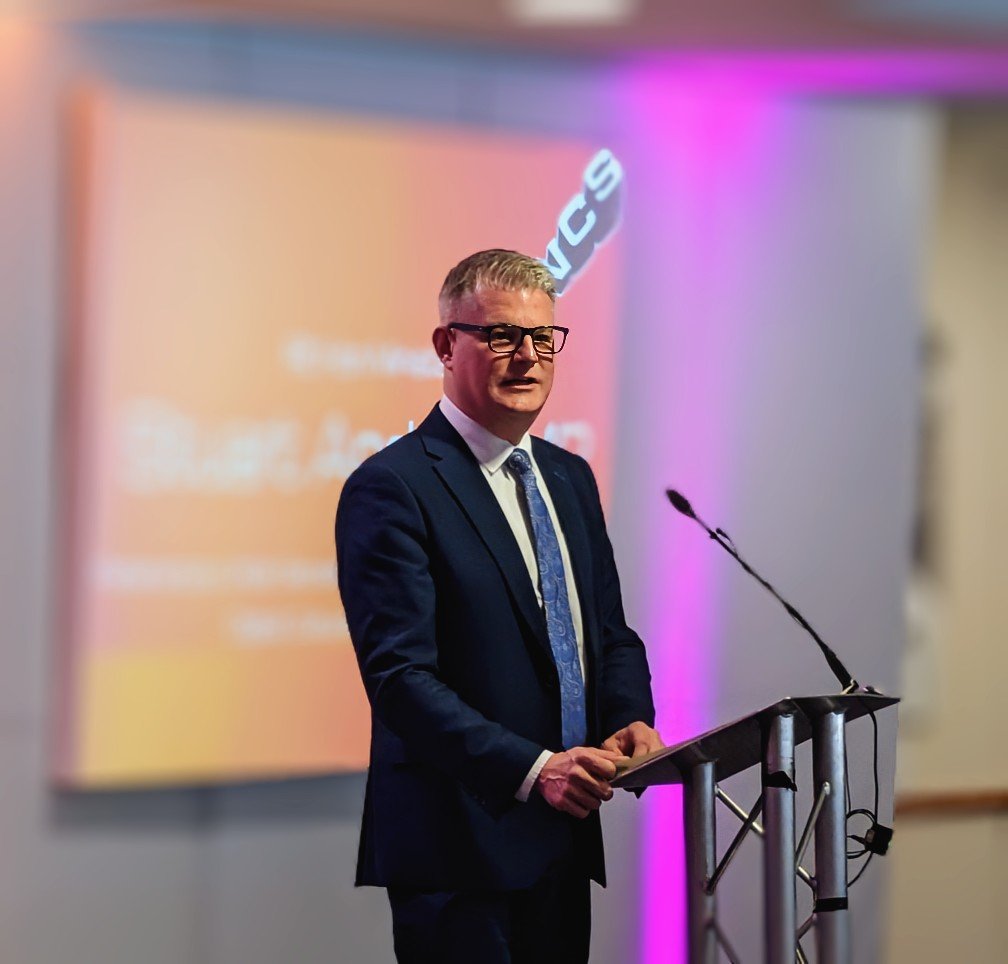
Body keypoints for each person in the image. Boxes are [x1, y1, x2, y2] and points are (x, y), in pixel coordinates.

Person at [336, 249, 662, 963]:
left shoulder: (569, 477)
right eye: (502, 336)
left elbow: (606, 634)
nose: (527, 356)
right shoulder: (393, 487)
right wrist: (534, 768)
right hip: (458, 848)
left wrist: (629, 716)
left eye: (543, 338)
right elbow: (400, 680)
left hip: (561, 842)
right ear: (446, 346)